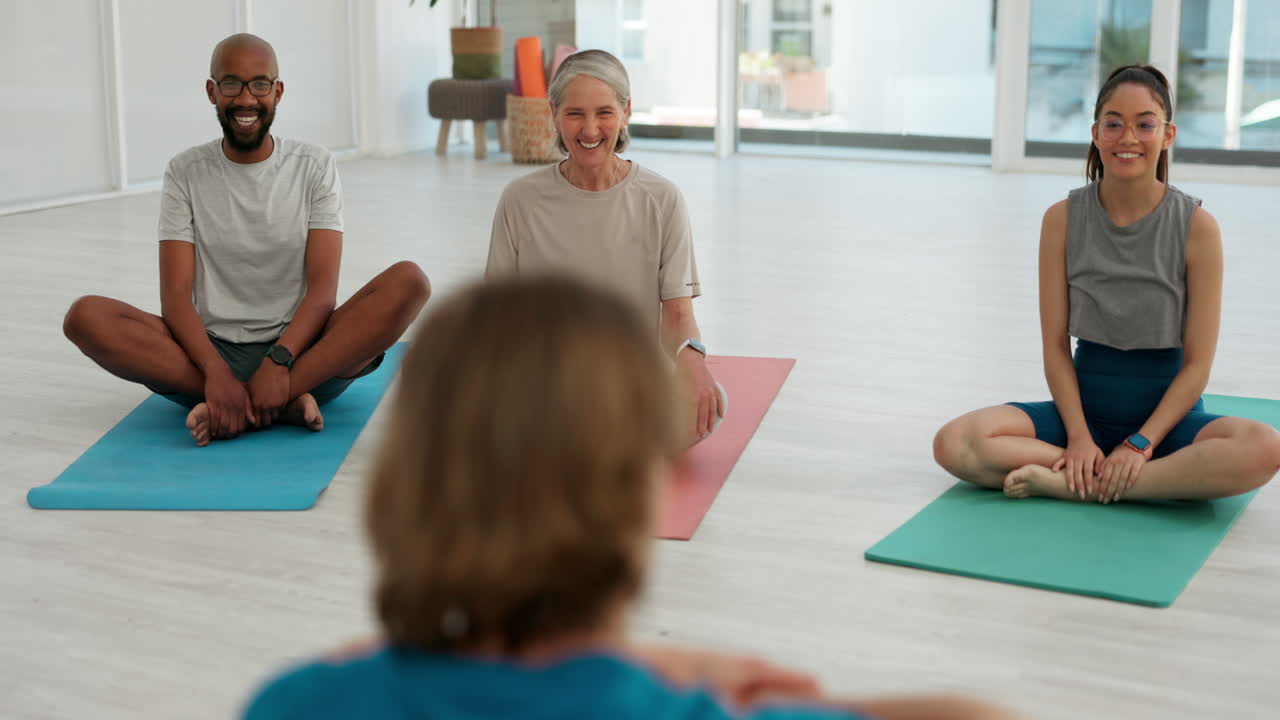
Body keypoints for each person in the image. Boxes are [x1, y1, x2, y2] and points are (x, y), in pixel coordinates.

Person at [241, 276, 1017, 720]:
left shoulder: (297, 705)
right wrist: (678, 667)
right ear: (638, 491)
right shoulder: (679, 713)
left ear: (407, 482)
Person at [933, 65, 1280, 503]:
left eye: (1145, 124)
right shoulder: (1061, 219)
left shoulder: (1198, 228)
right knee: (955, 442)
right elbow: (1055, 346)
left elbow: (1197, 368)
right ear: (1096, 133)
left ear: (1168, 134)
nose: (1128, 137)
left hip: (1167, 425)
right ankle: (1124, 479)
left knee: (1264, 449)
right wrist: (1078, 436)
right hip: (1082, 415)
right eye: (1113, 123)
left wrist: (1141, 443)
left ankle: (1080, 484)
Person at [62, 33, 430, 447]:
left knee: (409, 282)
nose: (246, 99)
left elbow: (322, 291)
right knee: (85, 317)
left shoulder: (314, 166)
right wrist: (217, 374)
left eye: (260, 84)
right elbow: (177, 295)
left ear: (278, 91)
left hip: (304, 353)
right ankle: (267, 403)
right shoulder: (185, 171)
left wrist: (281, 360)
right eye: (231, 83)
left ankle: (246, 405)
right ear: (212, 91)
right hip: (206, 358)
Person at [486, 49, 723, 447]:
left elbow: (679, 314)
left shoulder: (662, 198)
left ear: (626, 111)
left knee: (710, 404)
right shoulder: (520, 200)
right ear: (554, 114)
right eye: (575, 113)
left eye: (604, 112)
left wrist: (694, 362)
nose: (590, 129)